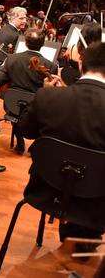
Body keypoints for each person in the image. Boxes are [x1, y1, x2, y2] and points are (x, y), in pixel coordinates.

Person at [17, 42, 105, 247]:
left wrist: (49, 95)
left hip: (48, 189)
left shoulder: (47, 96)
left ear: (82, 65)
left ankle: (73, 230)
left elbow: (25, 131)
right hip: (98, 198)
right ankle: (86, 235)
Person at [0, 6, 27, 71]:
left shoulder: (11, 29)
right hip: (4, 67)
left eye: (25, 18)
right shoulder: (10, 33)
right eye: (21, 18)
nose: (25, 21)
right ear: (12, 19)